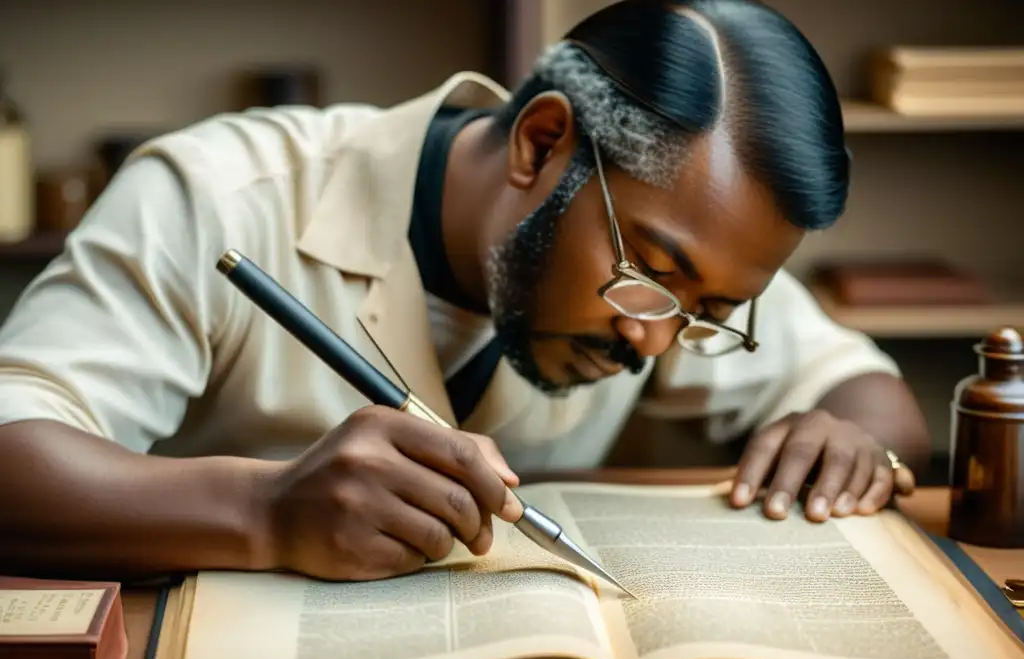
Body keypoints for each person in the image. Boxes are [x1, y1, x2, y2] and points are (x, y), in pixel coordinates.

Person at [0, 0, 929, 583]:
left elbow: (875, 397)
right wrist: (264, 511)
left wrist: (849, 442)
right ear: (540, 142)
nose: (653, 344)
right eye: (650, 275)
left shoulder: (677, 285)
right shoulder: (217, 195)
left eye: (710, 316)